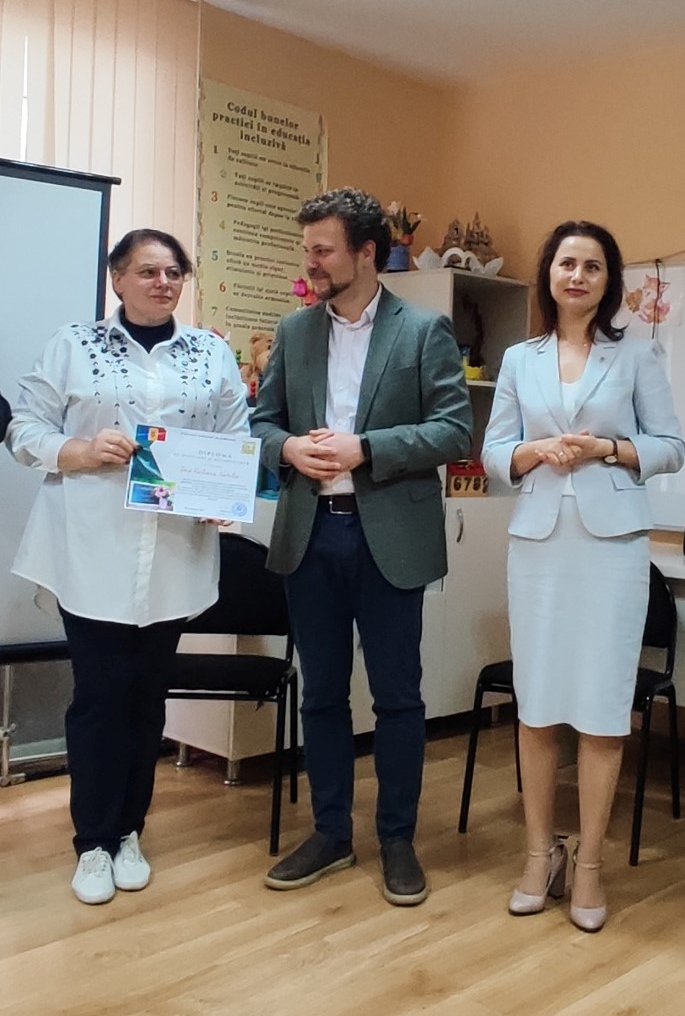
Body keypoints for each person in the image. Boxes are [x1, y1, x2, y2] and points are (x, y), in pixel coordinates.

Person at [7, 229, 249, 905]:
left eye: (174, 272)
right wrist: (79, 450)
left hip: (173, 554)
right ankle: (92, 841)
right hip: (88, 550)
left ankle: (129, 832)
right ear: (117, 279)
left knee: (147, 699)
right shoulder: (73, 344)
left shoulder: (209, 352)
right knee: (98, 698)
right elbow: (23, 427)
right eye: (147, 271)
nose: (163, 283)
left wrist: (224, 497)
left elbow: (235, 435)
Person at [251, 187, 472, 905]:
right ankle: (331, 834)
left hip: (389, 538)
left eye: (322, 250)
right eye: (307, 250)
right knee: (320, 694)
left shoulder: (424, 331)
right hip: (310, 534)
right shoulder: (293, 331)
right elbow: (262, 424)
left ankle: (397, 839)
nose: (310, 262)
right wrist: (288, 448)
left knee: (397, 697)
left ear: (366, 252)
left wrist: (364, 448)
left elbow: (453, 431)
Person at [482, 220, 684, 932]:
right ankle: (539, 855)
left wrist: (608, 448)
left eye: (592, 266)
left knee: (602, 707)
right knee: (536, 705)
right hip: (538, 544)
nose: (577, 276)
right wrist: (534, 451)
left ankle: (590, 862)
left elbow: (671, 446)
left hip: (611, 547)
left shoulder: (636, 353)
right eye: (566, 263)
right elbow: (493, 453)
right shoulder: (520, 358)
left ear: (608, 281)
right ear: (549, 274)